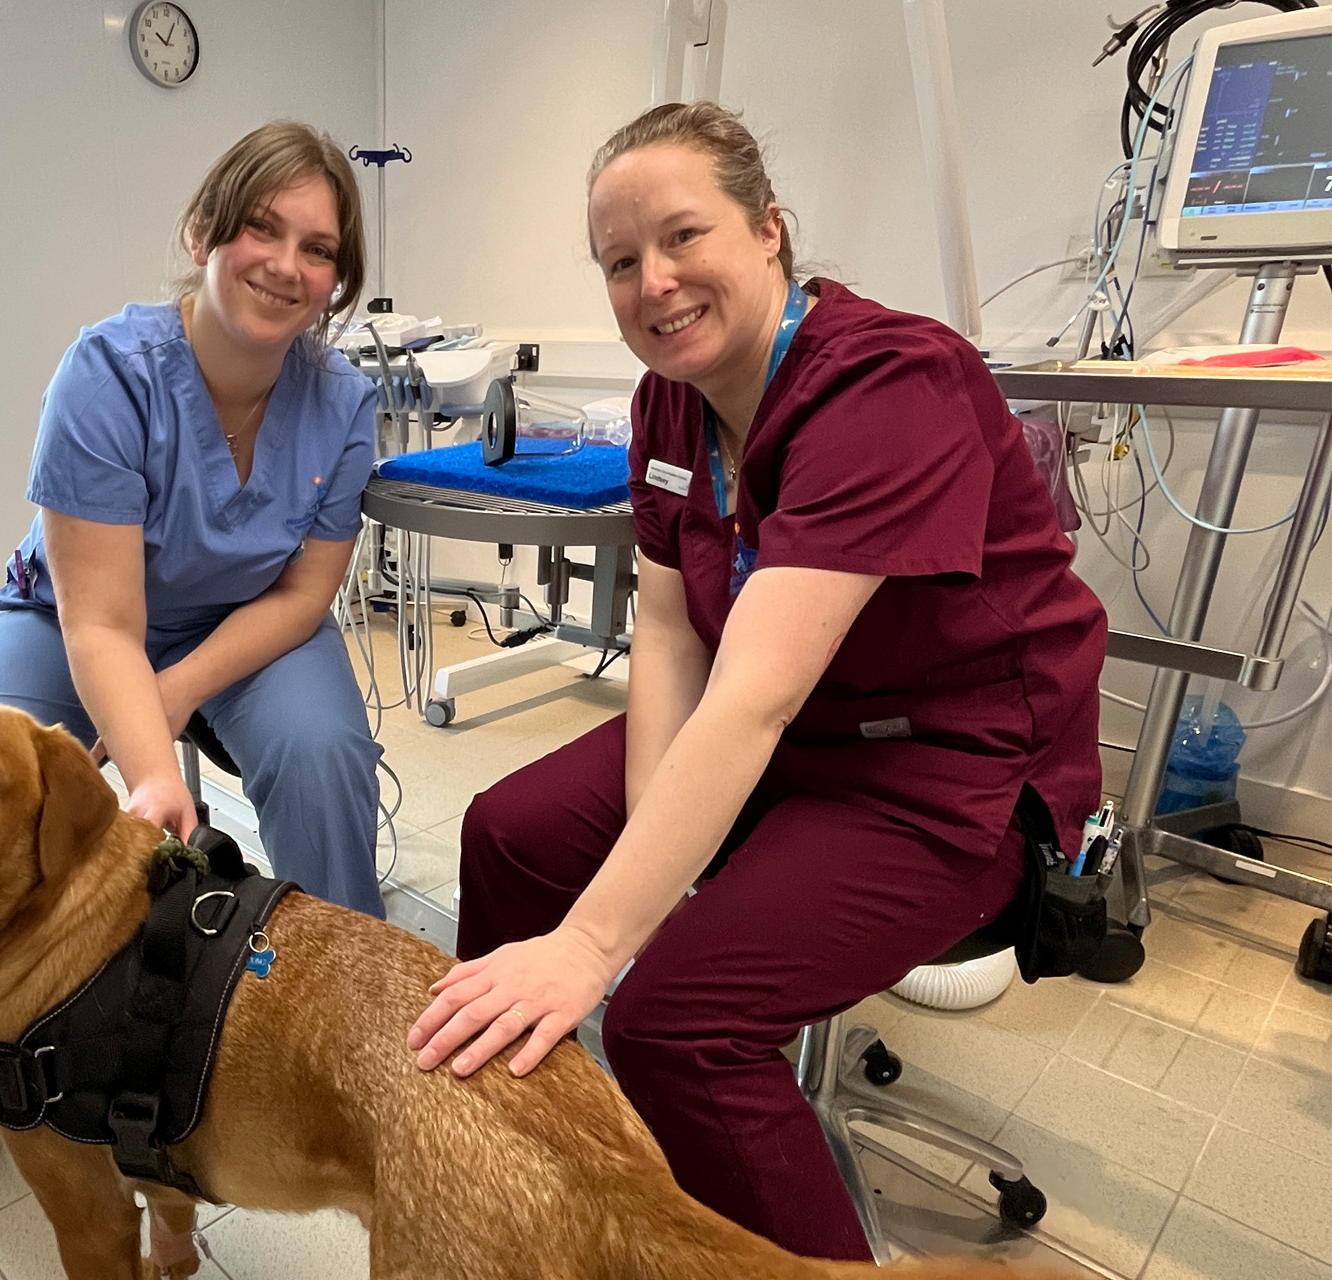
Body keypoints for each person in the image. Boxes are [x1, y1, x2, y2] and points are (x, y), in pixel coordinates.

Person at [407, 102, 1106, 1262]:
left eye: (685, 237)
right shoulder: (667, 404)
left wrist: (595, 943)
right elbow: (675, 637)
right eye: (620, 262)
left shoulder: (889, 384)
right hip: (794, 738)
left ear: (770, 231)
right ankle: (523, 1147)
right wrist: (648, 838)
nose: (655, 282)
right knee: (510, 831)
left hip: (943, 773)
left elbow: (757, 696)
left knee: (674, 1022)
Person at [0, 121, 387, 1214]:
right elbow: (102, 620)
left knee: (326, 747)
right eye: (262, 227)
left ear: (338, 277)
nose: (287, 265)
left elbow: (304, 595)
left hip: (245, 617)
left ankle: (358, 1035)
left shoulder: (342, 402)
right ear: (206, 228)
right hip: (70, 606)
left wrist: (181, 690)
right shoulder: (110, 373)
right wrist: (156, 778)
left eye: (319, 247)